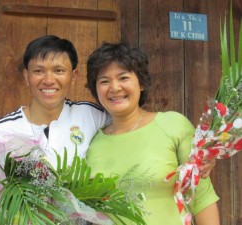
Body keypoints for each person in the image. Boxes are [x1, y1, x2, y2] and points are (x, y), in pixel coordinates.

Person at [0, 35, 109, 214]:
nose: (48, 80)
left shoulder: (93, 116)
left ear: (73, 76)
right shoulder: (1, 131)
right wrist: (17, 189)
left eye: (58, 70)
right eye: (38, 71)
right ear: (26, 76)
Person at [85, 42, 220, 225]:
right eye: (104, 81)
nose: (114, 88)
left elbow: (202, 197)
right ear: (96, 90)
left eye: (123, 78)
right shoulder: (92, 143)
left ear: (141, 83)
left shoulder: (172, 125)